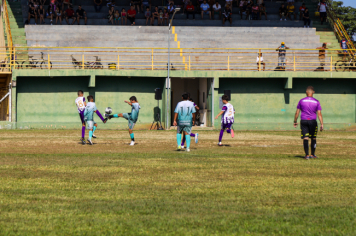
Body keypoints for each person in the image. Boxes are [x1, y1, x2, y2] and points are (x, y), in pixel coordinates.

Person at [293, 86, 323, 159]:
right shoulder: (316, 101)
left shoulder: (301, 101)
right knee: (313, 138)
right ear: (313, 92)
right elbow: (319, 114)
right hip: (313, 121)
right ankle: (312, 155)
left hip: (304, 121)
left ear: (306, 92)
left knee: (305, 138)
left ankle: (306, 155)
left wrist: (295, 121)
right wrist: (322, 124)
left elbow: (297, 112)